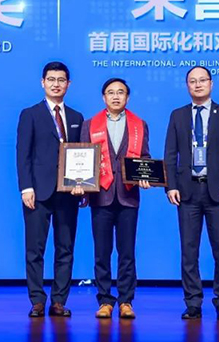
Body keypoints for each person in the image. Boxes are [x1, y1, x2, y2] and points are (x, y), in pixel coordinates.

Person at [163, 67, 219, 321]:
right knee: (189, 251)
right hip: (187, 192)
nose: (197, 85)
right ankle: (193, 303)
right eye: (192, 81)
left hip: (218, 192)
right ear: (187, 85)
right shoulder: (178, 115)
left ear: (211, 83)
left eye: (202, 80)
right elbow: (170, 155)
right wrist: (171, 185)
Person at [16, 61, 85, 318]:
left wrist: (83, 186)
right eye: (51, 79)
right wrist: (26, 187)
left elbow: (82, 156)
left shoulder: (77, 117)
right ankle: (36, 300)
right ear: (43, 82)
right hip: (38, 192)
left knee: (65, 248)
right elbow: (23, 154)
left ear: (69, 84)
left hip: (68, 193)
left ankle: (58, 301)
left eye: (61, 80)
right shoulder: (30, 114)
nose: (56, 84)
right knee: (35, 249)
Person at [81, 78, 151, 320]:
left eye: (120, 92)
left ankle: (126, 301)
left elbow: (145, 157)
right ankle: (104, 300)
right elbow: (82, 157)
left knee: (127, 252)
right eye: (111, 92)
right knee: (102, 253)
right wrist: (79, 184)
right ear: (104, 97)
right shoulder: (90, 125)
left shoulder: (139, 125)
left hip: (128, 197)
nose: (116, 96)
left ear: (127, 97)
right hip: (101, 196)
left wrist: (146, 176)